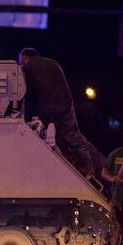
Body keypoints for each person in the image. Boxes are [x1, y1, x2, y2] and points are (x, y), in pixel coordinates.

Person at [19, 48, 95, 178]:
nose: (21, 64)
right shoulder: (53, 63)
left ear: (25, 58)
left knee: (48, 140)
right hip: (66, 106)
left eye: (21, 61)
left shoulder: (28, 67)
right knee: (74, 137)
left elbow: (27, 92)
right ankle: (89, 169)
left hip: (46, 110)